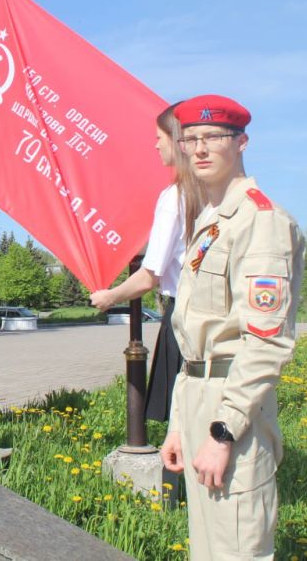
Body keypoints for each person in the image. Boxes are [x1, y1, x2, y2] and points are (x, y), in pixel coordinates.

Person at [159, 95, 305, 560]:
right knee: (208, 547)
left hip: (233, 405)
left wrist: (223, 433)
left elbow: (265, 343)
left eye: (214, 138)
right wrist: (180, 426)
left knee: (238, 547)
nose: (200, 149)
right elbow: (194, 340)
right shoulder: (212, 221)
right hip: (200, 395)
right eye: (191, 139)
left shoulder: (261, 222)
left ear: (242, 142)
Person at [89, 103, 202, 422]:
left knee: (183, 420)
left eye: (159, 138)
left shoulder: (175, 198)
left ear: (177, 142)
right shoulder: (212, 193)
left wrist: (109, 297)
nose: (155, 145)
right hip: (217, 320)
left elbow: (150, 275)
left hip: (185, 318)